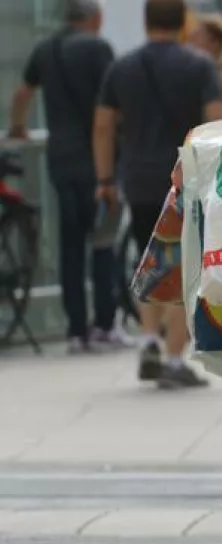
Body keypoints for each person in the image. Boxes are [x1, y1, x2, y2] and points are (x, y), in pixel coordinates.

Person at [93, 0, 222, 389]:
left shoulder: (121, 67)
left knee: (148, 261)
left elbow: (103, 126)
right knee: (186, 267)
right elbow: (216, 119)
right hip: (188, 178)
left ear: (146, 20)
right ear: (182, 22)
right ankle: (172, 358)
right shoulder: (200, 65)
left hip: (137, 178)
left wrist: (105, 178)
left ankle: (149, 339)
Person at [6, 0, 129, 353]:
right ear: (96, 18)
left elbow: (22, 93)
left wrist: (17, 125)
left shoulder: (45, 49)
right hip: (98, 161)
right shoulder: (98, 48)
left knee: (70, 247)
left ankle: (76, 330)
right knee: (103, 242)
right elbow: (113, 103)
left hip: (61, 160)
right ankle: (105, 324)